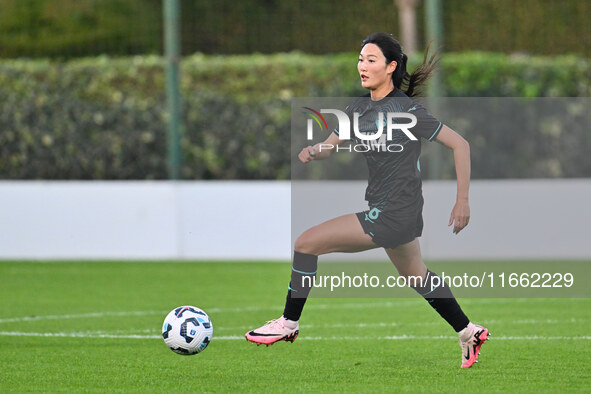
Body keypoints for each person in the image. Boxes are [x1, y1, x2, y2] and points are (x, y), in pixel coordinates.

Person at [245, 33, 489, 369]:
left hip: (391, 212)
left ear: (390, 67)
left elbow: (460, 145)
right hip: (396, 212)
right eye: (360, 59)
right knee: (416, 275)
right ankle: (467, 330)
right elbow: (332, 143)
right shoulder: (357, 108)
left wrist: (462, 201)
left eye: (371, 59)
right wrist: (316, 151)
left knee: (306, 244)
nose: (362, 65)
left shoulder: (406, 110)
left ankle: (288, 323)